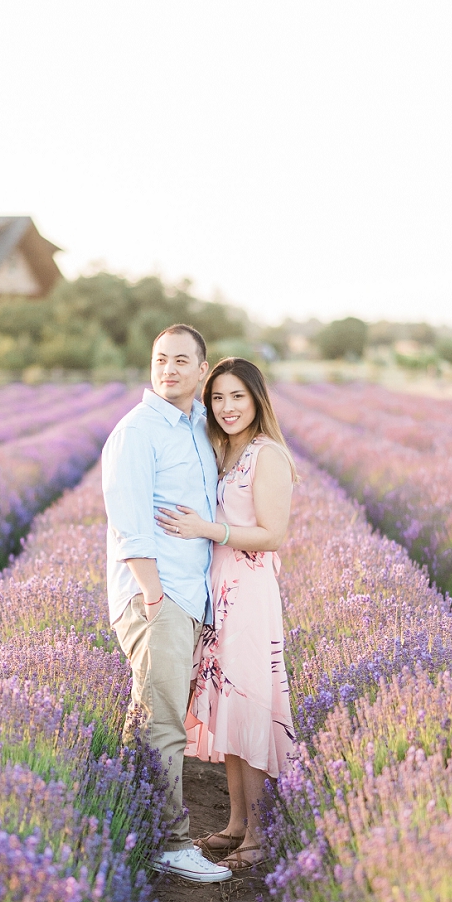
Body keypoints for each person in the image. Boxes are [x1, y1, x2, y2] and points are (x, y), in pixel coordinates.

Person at [101, 323, 232, 884]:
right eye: (160, 358)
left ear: (203, 372)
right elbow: (129, 524)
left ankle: (129, 827)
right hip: (158, 597)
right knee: (163, 723)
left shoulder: (197, 429)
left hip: (186, 594)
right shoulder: (138, 432)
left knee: (145, 718)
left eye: (182, 360)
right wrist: (154, 597)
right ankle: (171, 843)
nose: (169, 368)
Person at [157, 357, 298, 872]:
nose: (227, 407)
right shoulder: (225, 449)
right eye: (218, 397)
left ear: (257, 399)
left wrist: (206, 530)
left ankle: (259, 837)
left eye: (237, 396)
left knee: (251, 704)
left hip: (249, 592)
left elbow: (273, 535)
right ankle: (238, 822)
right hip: (219, 589)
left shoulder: (267, 455)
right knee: (231, 707)